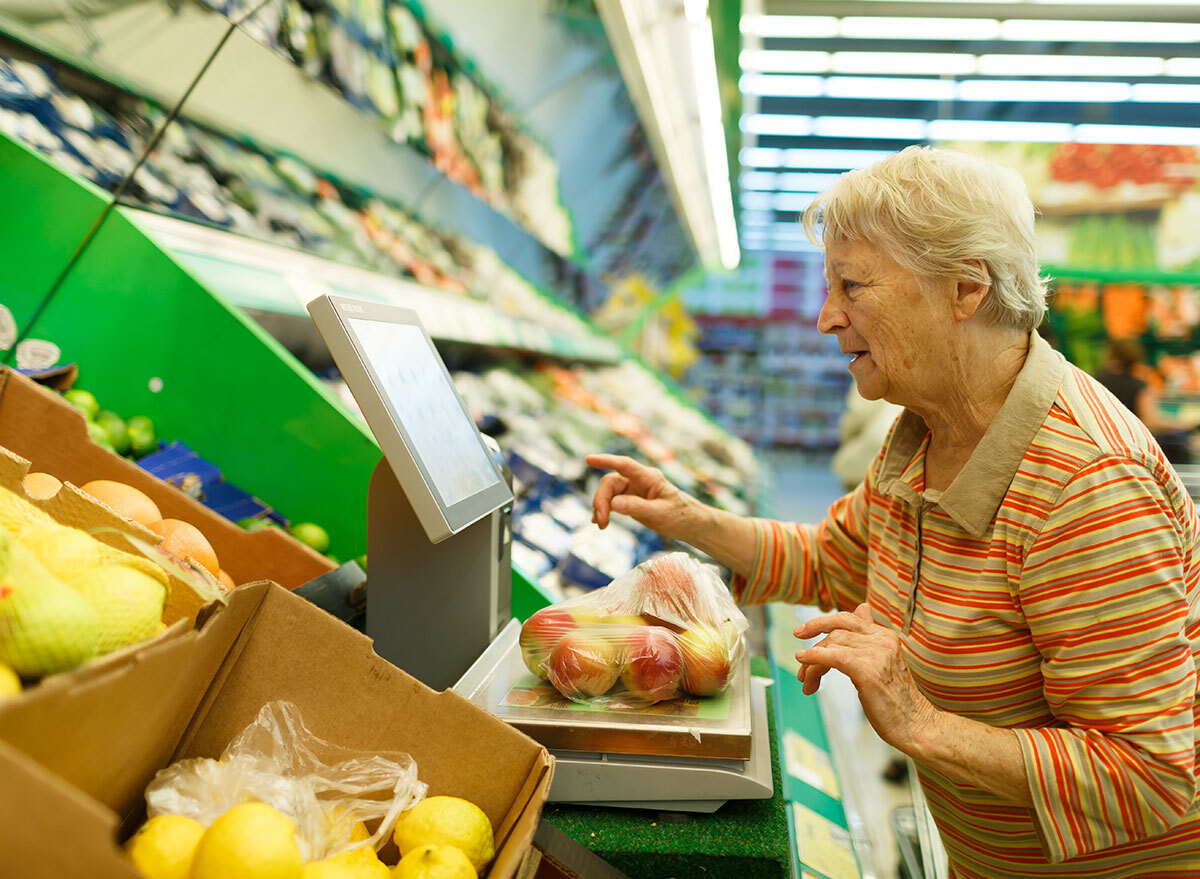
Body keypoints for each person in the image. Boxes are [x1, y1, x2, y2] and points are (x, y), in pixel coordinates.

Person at [587, 146, 1200, 878]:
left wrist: (920, 722)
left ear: (964, 288)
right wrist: (688, 517)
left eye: (853, 286)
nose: (825, 318)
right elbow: (833, 558)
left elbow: (1152, 773)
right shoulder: (923, 436)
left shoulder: (1084, 486)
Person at [1094, 338, 1194, 464]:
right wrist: (1184, 424)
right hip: (1132, 449)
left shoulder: (1095, 382)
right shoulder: (1139, 386)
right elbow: (1149, 421)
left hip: (1103, 446)